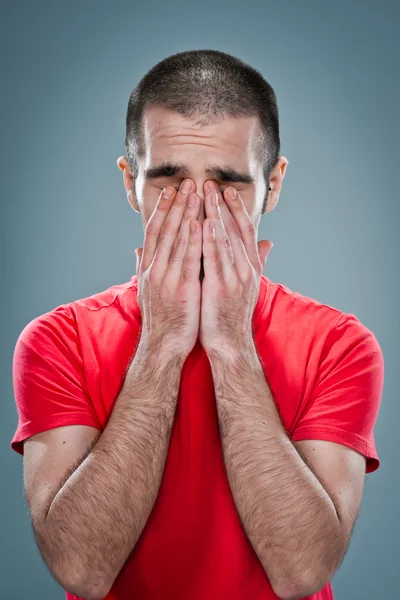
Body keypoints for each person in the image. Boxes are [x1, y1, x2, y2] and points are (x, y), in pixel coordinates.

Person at [11, 49, 384, 600]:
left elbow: (302, 572)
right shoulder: (56, 341)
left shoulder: (340, 345)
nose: (200, 209)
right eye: (169, 182)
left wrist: (231, 345)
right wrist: (162, 343)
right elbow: (81, 571)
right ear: (129, 181)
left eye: (229, 183)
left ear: (274, 185)